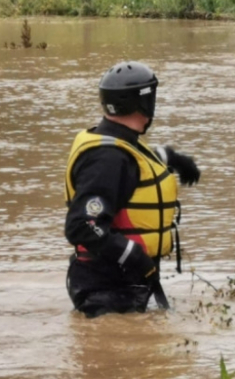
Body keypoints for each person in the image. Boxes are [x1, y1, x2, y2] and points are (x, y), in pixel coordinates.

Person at [63, 61, 200, 318]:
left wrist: (172, 157)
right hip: (107, 289)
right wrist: (134, 256)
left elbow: (136, 163)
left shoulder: (119, 143)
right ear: (144, 103)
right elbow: (81, 225)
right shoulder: (107, 159)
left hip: (122, 282)